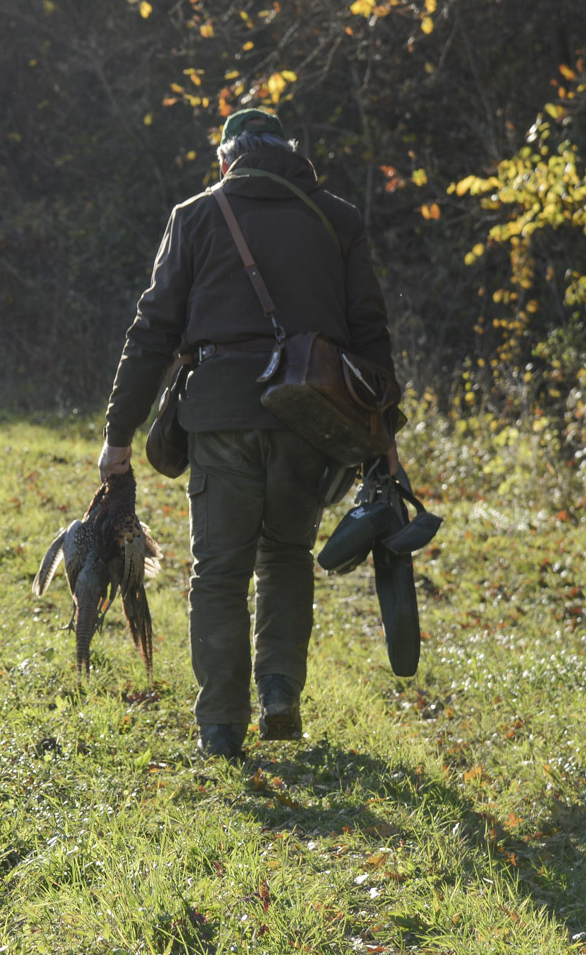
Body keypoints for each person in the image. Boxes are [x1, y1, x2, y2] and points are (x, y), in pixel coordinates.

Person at [97, 109, 400, 759]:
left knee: (220, 572)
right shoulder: (337, 219)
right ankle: (281, 694)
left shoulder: (197, 215)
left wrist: (119, 434)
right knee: (286, 555)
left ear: (228, 161)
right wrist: (386, 436)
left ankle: (222, 728)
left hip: (221, 411)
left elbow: (152, 329)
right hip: (312, 418)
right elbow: (371, 333)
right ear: (290, 157)